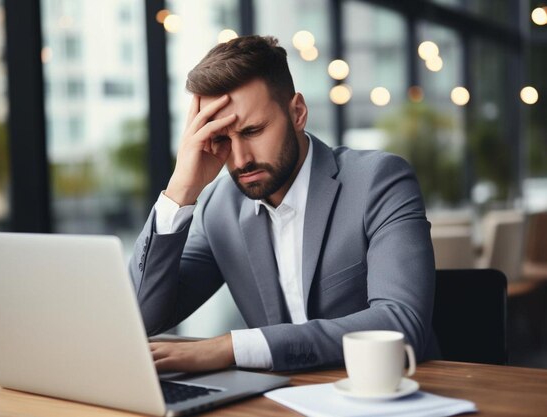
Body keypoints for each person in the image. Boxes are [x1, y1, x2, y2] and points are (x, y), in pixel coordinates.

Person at [129, 35, 436, 373]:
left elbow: (401, 323)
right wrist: (180, 191)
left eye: (252, 131)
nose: (241, 159)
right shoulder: (219, 208)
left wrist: (233, 346)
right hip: (278, 401)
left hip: (383, 392)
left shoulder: (378, 181)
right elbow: (141, 317)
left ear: (298, 113)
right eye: (221, 139)